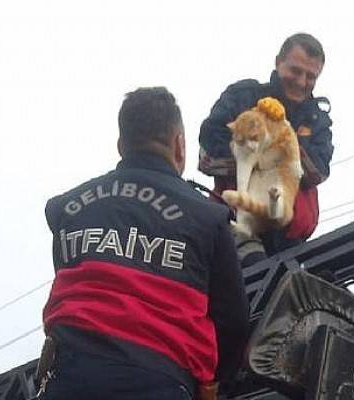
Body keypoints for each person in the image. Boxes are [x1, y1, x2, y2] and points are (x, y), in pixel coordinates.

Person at [39, 87, 249, 400]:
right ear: (179, 145)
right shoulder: (208, 217)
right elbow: (232, 320)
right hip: (160, 382)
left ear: (122, 145)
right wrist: (214, 382)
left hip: (67, 377)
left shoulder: (67, 208)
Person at [198, 33, 333, 263]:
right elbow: (209, 151)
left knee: (305, 290)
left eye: (311, 76)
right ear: (278, 62)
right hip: (238, 225)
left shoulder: (318, 120)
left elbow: (319, 171)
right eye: (295, 70)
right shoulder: (242, 96)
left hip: (292, 242)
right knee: (259, 276)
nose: (301, 82)